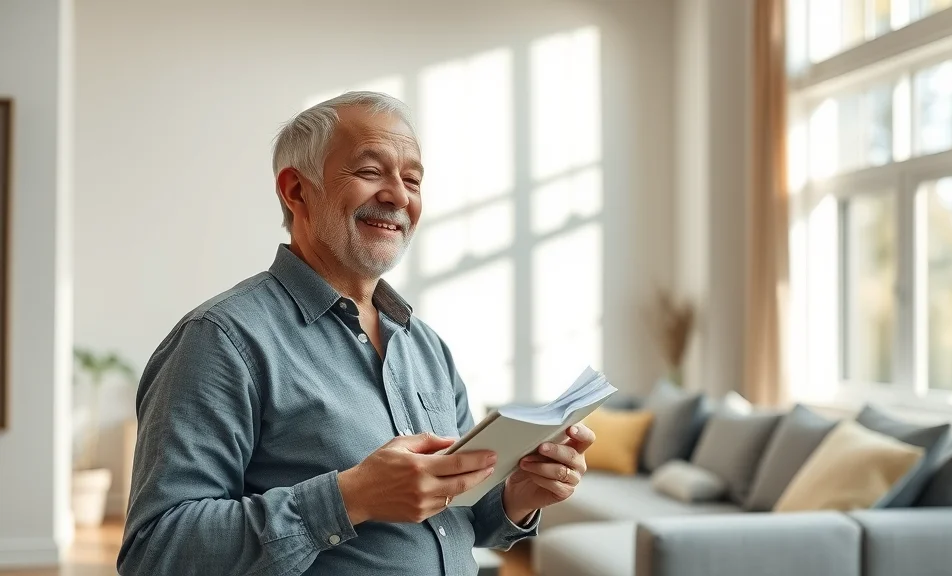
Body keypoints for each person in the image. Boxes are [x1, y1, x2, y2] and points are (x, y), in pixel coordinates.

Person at [116, 92, 596, 576]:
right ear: (297, 191)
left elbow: (459, 515)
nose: (398, 195)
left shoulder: (426, 346)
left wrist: (517, 497)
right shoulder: (220, 341)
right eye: (370, 172)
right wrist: (352, 497)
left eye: (412, 179)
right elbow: (156, 551)